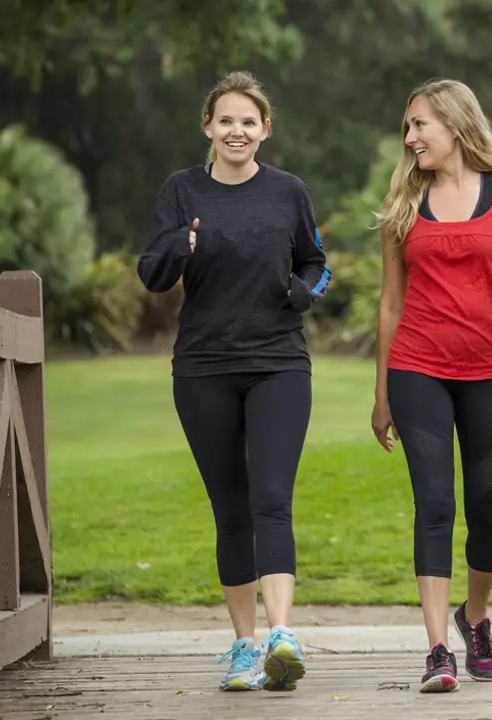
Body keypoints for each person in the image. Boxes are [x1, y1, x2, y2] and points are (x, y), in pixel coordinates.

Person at [136, 70, 330, 693]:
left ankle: (281, 636)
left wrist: (301, 292)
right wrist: (182, 247)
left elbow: (316, 262)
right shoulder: (181, 191)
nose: (237, 130)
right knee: (231, 510)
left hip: (278, 363)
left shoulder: (288, 192)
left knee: (271, 497)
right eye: (226, 120)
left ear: (265, 130)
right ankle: (244, 648)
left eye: (249, 121)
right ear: (208, 128)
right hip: (203, 368)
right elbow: (151, 273)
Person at [370, 78, 492, 694]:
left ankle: (474, 618)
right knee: (435, 504)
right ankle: (438, 651)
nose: (411, 137)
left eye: (420, 124)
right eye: (408, 127)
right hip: (418, 368)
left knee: (488, 509)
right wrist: (381, 394)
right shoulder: (403, 199)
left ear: (454, 124)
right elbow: (390, 305)